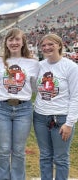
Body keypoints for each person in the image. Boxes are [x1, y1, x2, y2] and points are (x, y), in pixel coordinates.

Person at [0, 28, 39, 180]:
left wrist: (18, 91)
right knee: (4, 149)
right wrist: (7, 90)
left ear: (23, 42)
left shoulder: (33, 63)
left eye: (17, 39)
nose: (14, 43)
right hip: (2, 108)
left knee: (18, 150)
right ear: (6, 43)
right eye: (10, 39)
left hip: (23, 109)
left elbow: (35, 86)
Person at [33, 33, 78, 180]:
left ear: (59, 45)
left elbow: (76, 97)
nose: (47, 47)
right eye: (44, 45)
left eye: (50, 44)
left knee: (60, 158)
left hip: (61, 118)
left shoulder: (71, 67)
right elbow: (33, 88)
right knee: (45, 156)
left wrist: (70, 122)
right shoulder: (39, 66)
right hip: (40, 117)